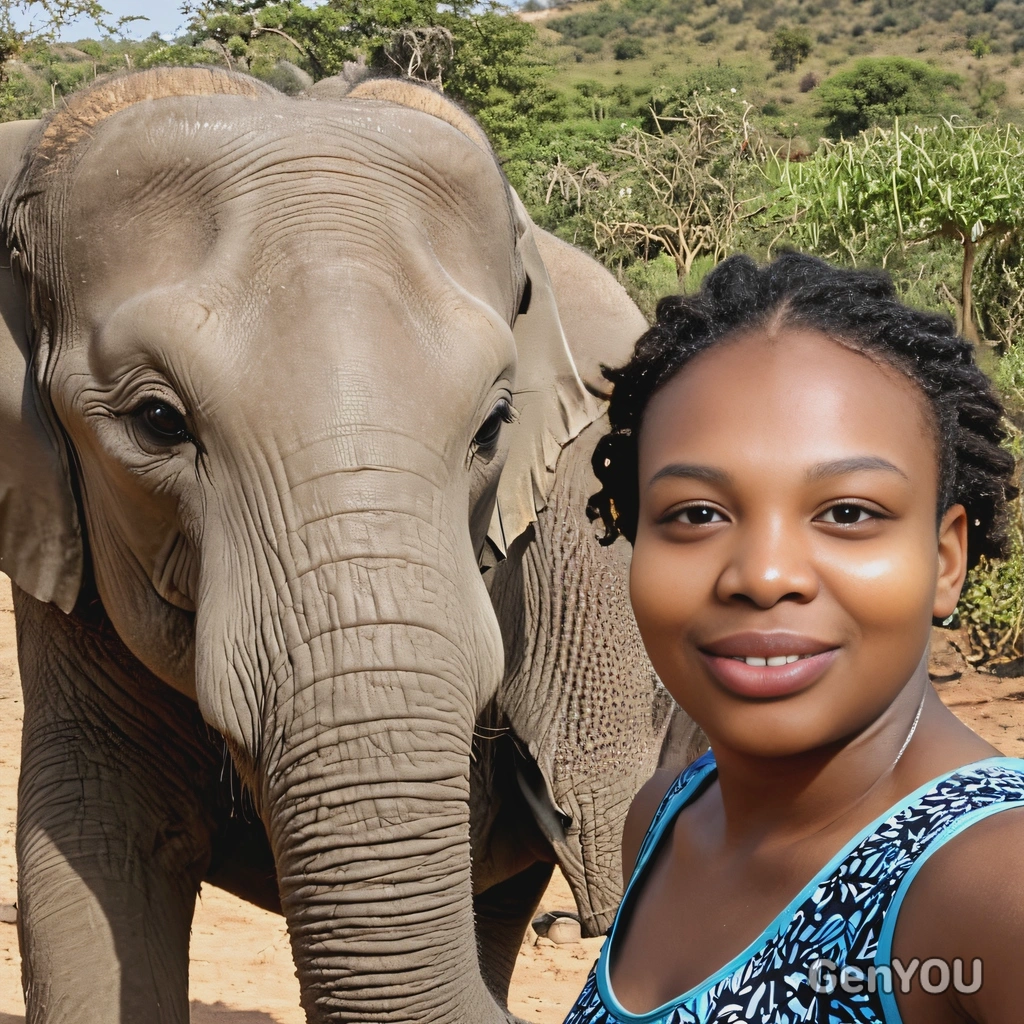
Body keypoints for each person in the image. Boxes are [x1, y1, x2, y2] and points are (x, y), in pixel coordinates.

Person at [564, 252, 1024, 1024]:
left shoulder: (993, 883)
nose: (765, 574)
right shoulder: (665, 820)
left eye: (847, 512)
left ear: (945, 561)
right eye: (697, 514)